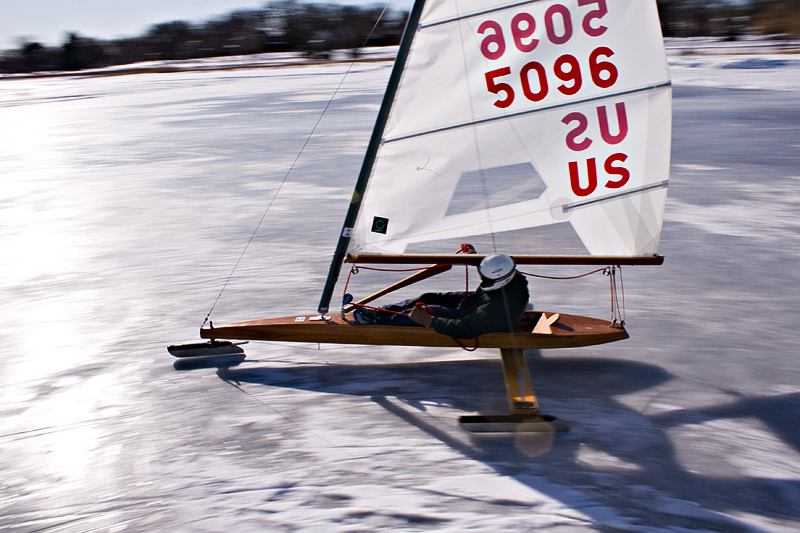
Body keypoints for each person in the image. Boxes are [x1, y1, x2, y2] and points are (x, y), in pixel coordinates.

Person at [353, 254, 530, 339]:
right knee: (428, 297)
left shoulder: (493, 310)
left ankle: (375, 321)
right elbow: (494, 272)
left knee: (420, 313)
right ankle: (379, 312)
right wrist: (476, 258)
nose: (482, 279)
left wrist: (430, 321)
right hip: (476, 302)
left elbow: (465, 329)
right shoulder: (515, 278)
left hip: (471, 317)